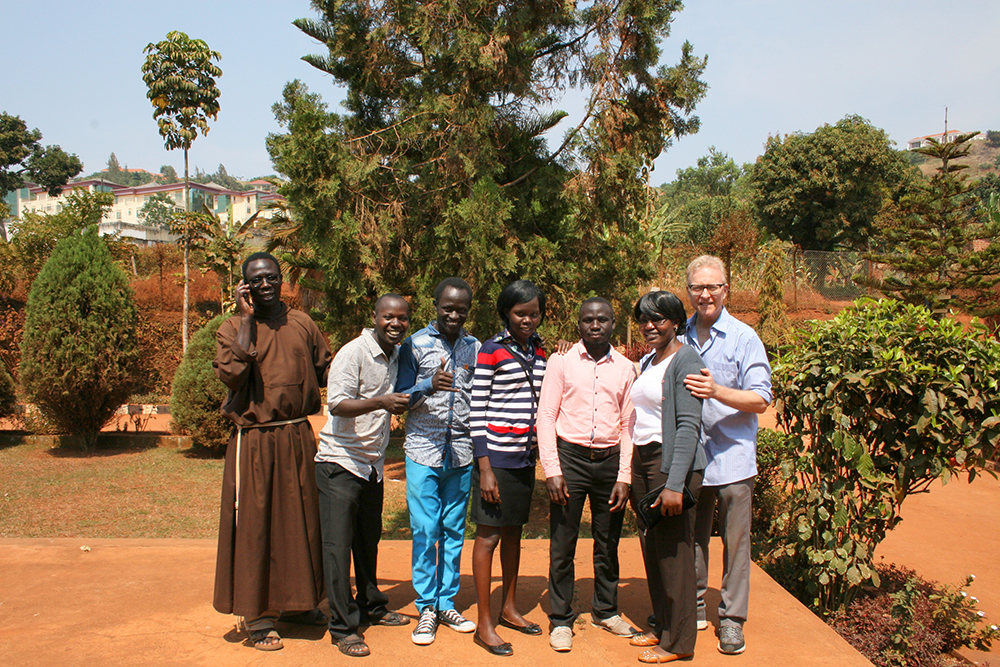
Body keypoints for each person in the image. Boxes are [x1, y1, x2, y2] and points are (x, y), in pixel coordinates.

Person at [212, 251, 332, 652]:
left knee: (301, 521)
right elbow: (232, 374)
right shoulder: (232, 328)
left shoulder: (301, 322)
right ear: (244, 285)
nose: (265, 285)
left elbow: (320, 367)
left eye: (272, 277)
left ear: (282, 281)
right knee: (257, 524)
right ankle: (258, 615)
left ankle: (298, 605)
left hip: (297, 435)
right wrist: (247, 319)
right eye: (256, 279)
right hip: (257, 439)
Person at [681, 255, 772, 656]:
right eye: (698, 288)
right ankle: (695, 604)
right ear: (689, 292)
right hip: (693, 457)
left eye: (713, 287)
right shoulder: (680, 335)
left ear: (725, 290)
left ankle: (732, 620)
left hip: (733, 456)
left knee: (735, 544)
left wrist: (717, 391)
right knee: (693, 537)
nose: (705, 295)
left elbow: (761, 398)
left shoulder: (743, 337)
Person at [315, 294, 414, 657]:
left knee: (367, 541)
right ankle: (343, 628)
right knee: (338, 549)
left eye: (402, 318)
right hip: (339, 464)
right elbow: (337, 404)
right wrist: (383, 402)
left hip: (371, 467)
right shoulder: (353, 353)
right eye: (388, 317)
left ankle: (371, 605)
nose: (395, 324)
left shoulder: (397, 353)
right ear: (374, 317)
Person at [537, 297, 638, 652]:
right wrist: (552, 469)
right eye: (588, 320)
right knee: (563, 543)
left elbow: (629, 425)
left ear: (613, 323)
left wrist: (624, 475)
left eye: (602, 320)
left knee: (607, 541)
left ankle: (605, 610)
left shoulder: (626, 368)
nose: (595, 325)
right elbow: (546, 416)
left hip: (610, 463)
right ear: (578, 324)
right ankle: (561, 619)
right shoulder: (561, 362)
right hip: (571, 459)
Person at [395, 278, 481, 645]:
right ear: (435, 304)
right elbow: (399, 397)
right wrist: (426, 384)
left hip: (461, 452)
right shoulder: (414, 344)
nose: (454, 314)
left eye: (461, 309)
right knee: (425, 530)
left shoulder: (475, 347)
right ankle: (426, 606)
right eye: (448, 307)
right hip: (422, 450)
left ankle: (447, 602)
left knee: (453, 531)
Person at [469, 279, 547, 656]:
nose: (527, 320)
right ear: (506, 314)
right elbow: (476, 409)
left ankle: (510, 608)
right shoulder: (491, 350)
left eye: (533, 313)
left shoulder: (543, 352)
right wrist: (484, 468)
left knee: (514, 533)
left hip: (523, 460)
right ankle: (484, 624)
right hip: (495, 459)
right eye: (520, 313)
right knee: (488, 536)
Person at [627, 291, 706, 663]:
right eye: (644, 319)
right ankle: (661, 624)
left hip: (670, 464)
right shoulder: (650, 361)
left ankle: (679, 642)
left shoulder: (686, 358)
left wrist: (675, 484)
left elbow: (689, 425)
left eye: (658, 319)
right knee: (654, 549)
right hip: (645, 462)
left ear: (676, 321)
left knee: (675, 554)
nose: (649, 326)